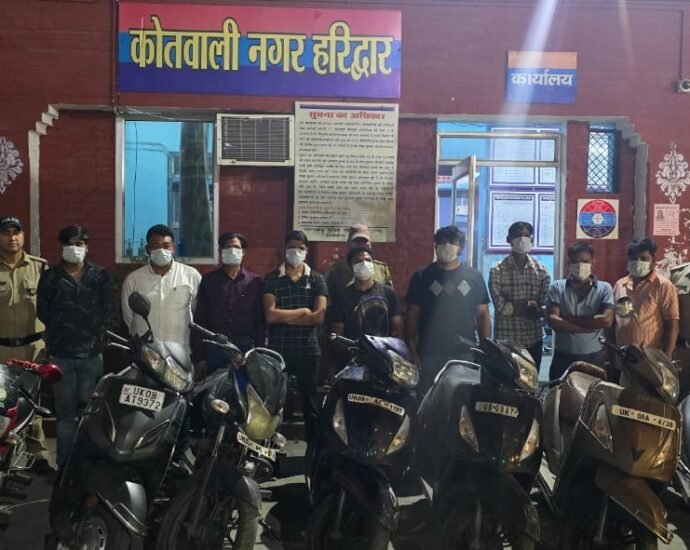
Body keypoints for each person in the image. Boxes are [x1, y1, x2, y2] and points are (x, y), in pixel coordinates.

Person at [37, 225, 117, 467]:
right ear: (62, 247)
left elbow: (110, 310)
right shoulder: (50, 277)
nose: (75, 248)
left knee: (89, 415)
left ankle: (85, 468)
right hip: (61, 356)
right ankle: (64, 468)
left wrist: (94, 333)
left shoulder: (100, 276)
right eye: (70, 244)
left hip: (91, 355)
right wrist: (63, 331)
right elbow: (43, 311)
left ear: (87, 247)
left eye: (79, 243)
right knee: (65, 417)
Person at [406, 225, 491, 392]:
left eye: (452, 242)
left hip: (464, 352)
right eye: (441, 242)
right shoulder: (422, 275)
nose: (446, 245)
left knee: (462, 399)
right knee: (428, 399)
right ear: (435, 246)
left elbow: (483, 314)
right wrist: (412, 350)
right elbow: (412, 314)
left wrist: (485, 348)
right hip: (429, 352)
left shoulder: (474, 276)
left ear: (460, 247)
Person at [263, 230, 327, 443]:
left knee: (310, 403)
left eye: (301, 248)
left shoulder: (317, 279)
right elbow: (270, 315)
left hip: (308, 350)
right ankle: (270, 449)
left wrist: (285, 317)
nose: (296, 252)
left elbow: (318, 317)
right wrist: (303, 312)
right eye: (292, 247)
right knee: (274, 403)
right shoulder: (272, 278)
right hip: (278, 351)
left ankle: (313, 449)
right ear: (284, 249)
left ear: (306, 251)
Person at [0, 216, 52, 474]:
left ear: (23, 235)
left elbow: (53, 307)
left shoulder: (40, 268)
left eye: (17, 232)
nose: (13, 237)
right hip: (1, 350)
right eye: (6, 233)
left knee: (33, 402)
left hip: (33, 348)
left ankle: (38, 455)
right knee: (2, 404)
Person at [121, 224, 201, 355]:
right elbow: (129, 317)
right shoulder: (133, 279)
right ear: (147, 249)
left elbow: (197, 313)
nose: (161, 250)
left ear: (173, 248)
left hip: (181, 353)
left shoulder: (191, 275)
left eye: (166, 246)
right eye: (155, 246)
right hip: (146, 353)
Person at [192, 232, 264, 377]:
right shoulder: (209, 281)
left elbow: (260, 321)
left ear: (243, 252)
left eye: (236, 247)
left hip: (244, 349)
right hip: (215, 348)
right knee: (214, 389)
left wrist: (260, 353)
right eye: (227, 247)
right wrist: (199, 357)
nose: (232, 250)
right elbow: (200, 320)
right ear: (220, 251)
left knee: (243, 389)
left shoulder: (254, 282)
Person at [546, 242, 614, 380]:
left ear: (593, 262)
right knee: (558, 391)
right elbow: (553, 320)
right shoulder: (557, 287)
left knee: (592, 392)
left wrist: (569, 318)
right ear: (569, 263)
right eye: (575, 262)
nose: (580, 265)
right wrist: (587, 327)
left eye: (585, 261)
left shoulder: (604, 288)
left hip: (593, 357)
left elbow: (606, 320)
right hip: (563, 356)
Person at [489, 221, 551, 368]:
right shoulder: (497, 270)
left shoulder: (541, 271)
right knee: (506, 380)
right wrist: (528, 306)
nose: (522, 239)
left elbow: (545, 307)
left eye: (526, 235)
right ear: (508, 239)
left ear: (532, 239)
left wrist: (513, 304)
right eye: (517, 235)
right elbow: (501, 307)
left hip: (534, 339)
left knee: (531, 380)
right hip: (506, 340)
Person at [613, 238, 679, 357]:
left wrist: (666, 359)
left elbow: (672, 326)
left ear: (653, 260)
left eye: (643, 258)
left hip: (649, 358)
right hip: (622, 355)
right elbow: (614, 321)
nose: (638, 262)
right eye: (633, 258)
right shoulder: (620, 285)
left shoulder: (663, 286)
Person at [331, 247, 402, 341]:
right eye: (358, 261)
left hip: (383, 349)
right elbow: (338, 334)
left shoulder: (389, 293)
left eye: (368, 260)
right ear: (351, 267)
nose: (364, 264)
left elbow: (398, 330)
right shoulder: (342, 297)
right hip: (354, 349)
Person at [324, 223, 393, 300]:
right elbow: (328, 301)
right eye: (357, 241)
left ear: (370, 243)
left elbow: (390, 297)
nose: (361, 245)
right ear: (348, 243)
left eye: (364, 241)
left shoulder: (381, 270)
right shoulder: (335, 272)